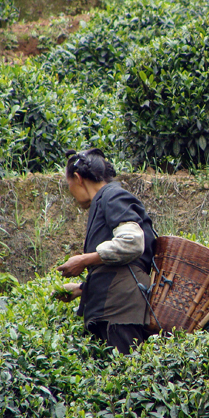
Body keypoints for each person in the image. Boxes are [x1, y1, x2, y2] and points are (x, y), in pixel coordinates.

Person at [56, 148, 158, 354]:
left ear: (78, 178)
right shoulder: (104, 200)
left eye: (69, 185)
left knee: (126, 377)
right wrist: (81, 289)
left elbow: (133, 242)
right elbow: (116, 264)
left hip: (122, 311)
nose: (71, 192)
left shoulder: (112, 195)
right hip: (114, 310)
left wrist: (83, 260)